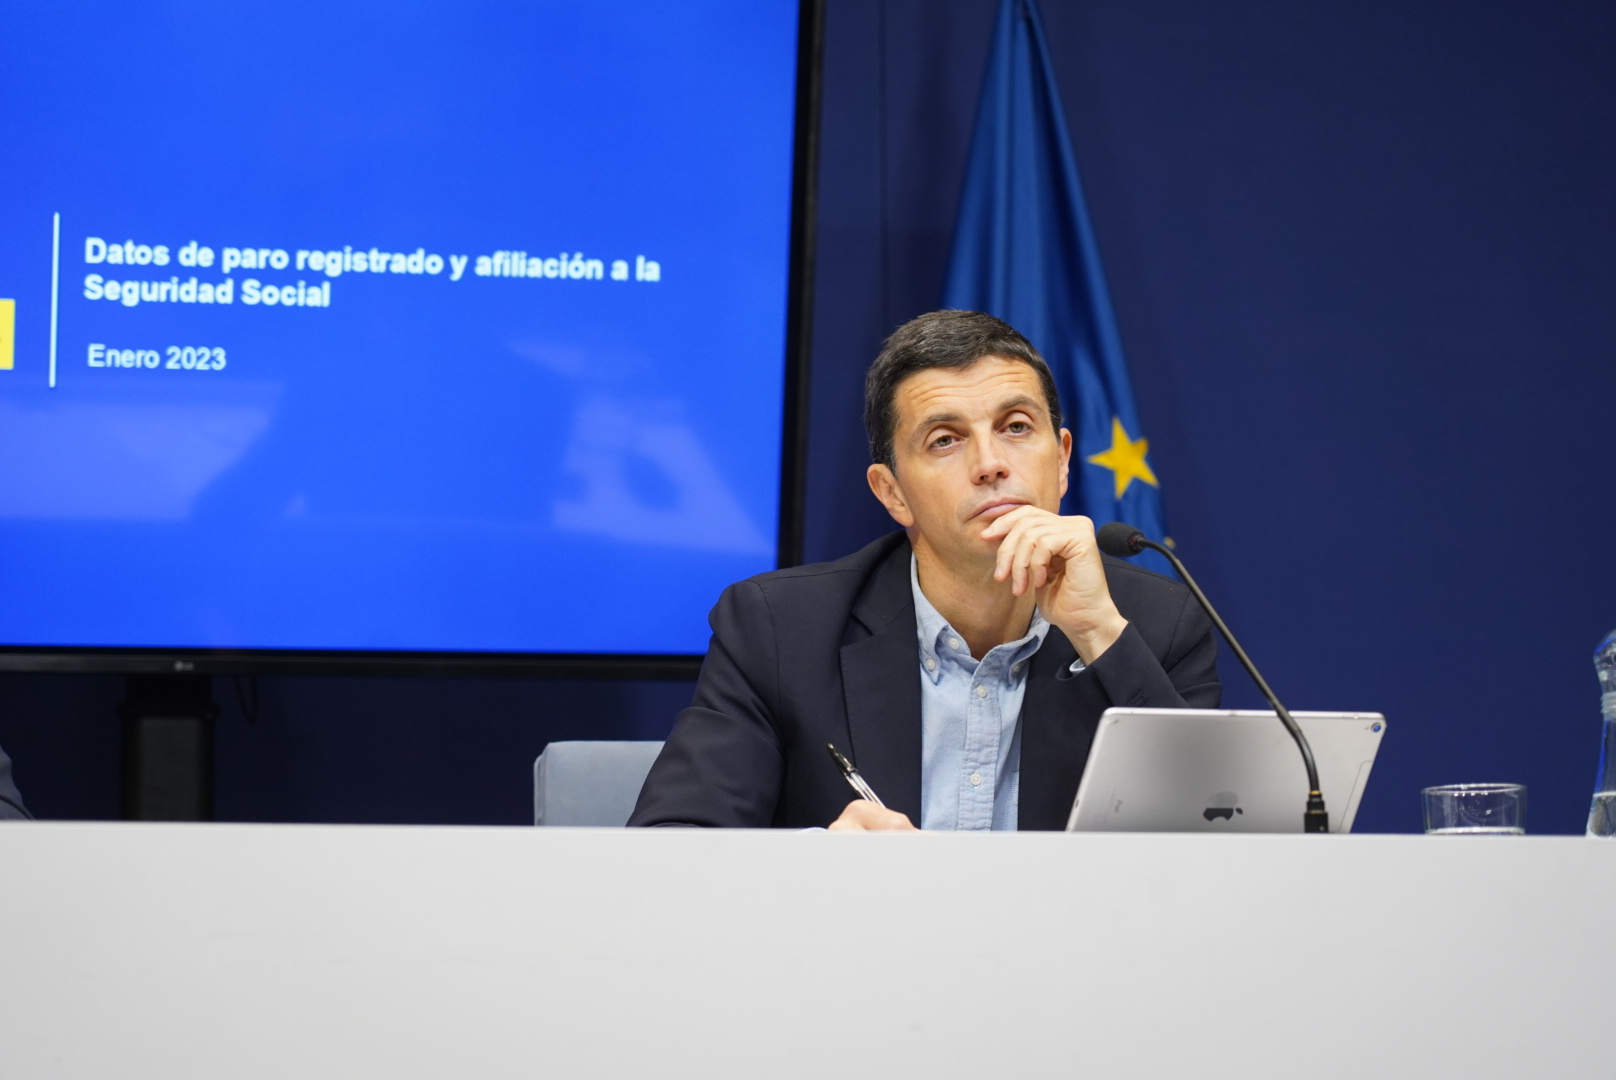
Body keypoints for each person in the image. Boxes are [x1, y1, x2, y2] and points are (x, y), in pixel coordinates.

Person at [629, 310, 1219, 831]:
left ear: (1062, 461)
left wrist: (1098, 634)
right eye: (945, 440)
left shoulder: (1154, 625)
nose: (990, 464)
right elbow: (673, 843)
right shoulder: (781, 630)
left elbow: (1217, 848)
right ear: (893, 494)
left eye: (1016, 427)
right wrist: (816, 865)